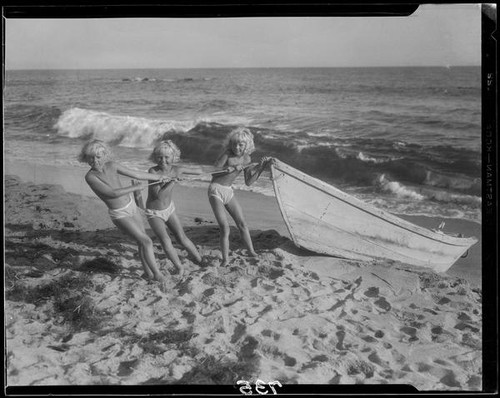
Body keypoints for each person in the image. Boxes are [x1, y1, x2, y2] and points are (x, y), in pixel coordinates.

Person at [78, 139, 169, 289]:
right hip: (119, 214)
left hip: (131, 207)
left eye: (99, 157)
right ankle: (158, 275)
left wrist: (159, 178)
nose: (95, 161)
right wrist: (135, 188)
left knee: (142, 242)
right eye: (91, 157)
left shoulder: (112, 165)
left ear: (105, 156)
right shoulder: (90, 177)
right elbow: (112, 193)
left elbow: (137, 174)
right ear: (85, 158)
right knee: (146, 241)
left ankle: (148, 273)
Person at [208, 127, 271, 267]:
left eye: (240, 144)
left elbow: (249, 182)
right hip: (216, 190)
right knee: (224, 227)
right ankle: (225, 259)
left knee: (242, 224)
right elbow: (213, 173)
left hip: (228, 191)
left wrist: (261, 167)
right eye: (234, 143)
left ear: (247, 145)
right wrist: (227, 169)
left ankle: (251, 251)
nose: (237, 147)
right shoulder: (227, 154)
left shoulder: (247, 159)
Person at [144, 140, 204, 278]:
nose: (163, 160)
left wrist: (186, 174)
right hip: (155, 213)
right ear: (155, 157)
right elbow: (158, 195)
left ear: (173, 157)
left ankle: (199, 260)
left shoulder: (177, 169)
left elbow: (199, 171)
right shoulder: (153, 171)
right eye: (159, 157)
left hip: (169, 209)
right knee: (166, 240)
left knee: (181, 236)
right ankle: (179, 267)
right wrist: (173, 181)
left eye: (167, 157)